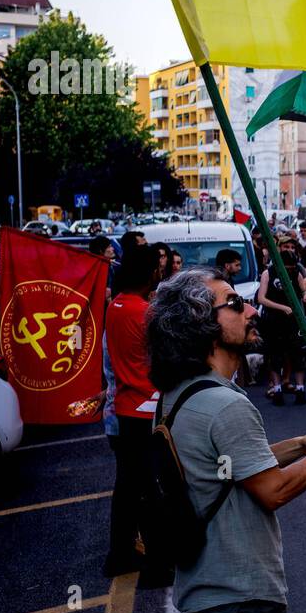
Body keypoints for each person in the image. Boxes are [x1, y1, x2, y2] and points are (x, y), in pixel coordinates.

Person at [149, 268, 306, 613]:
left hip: (206, 597)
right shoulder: (225, 404)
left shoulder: (179, 394)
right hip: (239, 603)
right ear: (200, 324)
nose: (250, 310)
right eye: (234, 303)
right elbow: (272, 490)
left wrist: (304, 444)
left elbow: (233, 466)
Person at [103, 245, 165, 580]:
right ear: (147, 273)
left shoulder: (117, 305)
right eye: (157, 267)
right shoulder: (144, 312)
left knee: (128, 488)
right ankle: (157, 567)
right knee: (150, 492)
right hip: (145, 410)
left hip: (126, 408)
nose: (160, 271)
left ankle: (120, 554)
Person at [257, 236, 306, 406]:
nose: (289, 271)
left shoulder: (297, 273)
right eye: (286, 268)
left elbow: (304, 292)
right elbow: (261, 298)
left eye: (292, 268)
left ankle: (300, 388)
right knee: (274, 356)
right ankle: (277, 388)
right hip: (273, 321)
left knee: (296, 354)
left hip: (292, 322)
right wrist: (282, 307)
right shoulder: (268, 273)